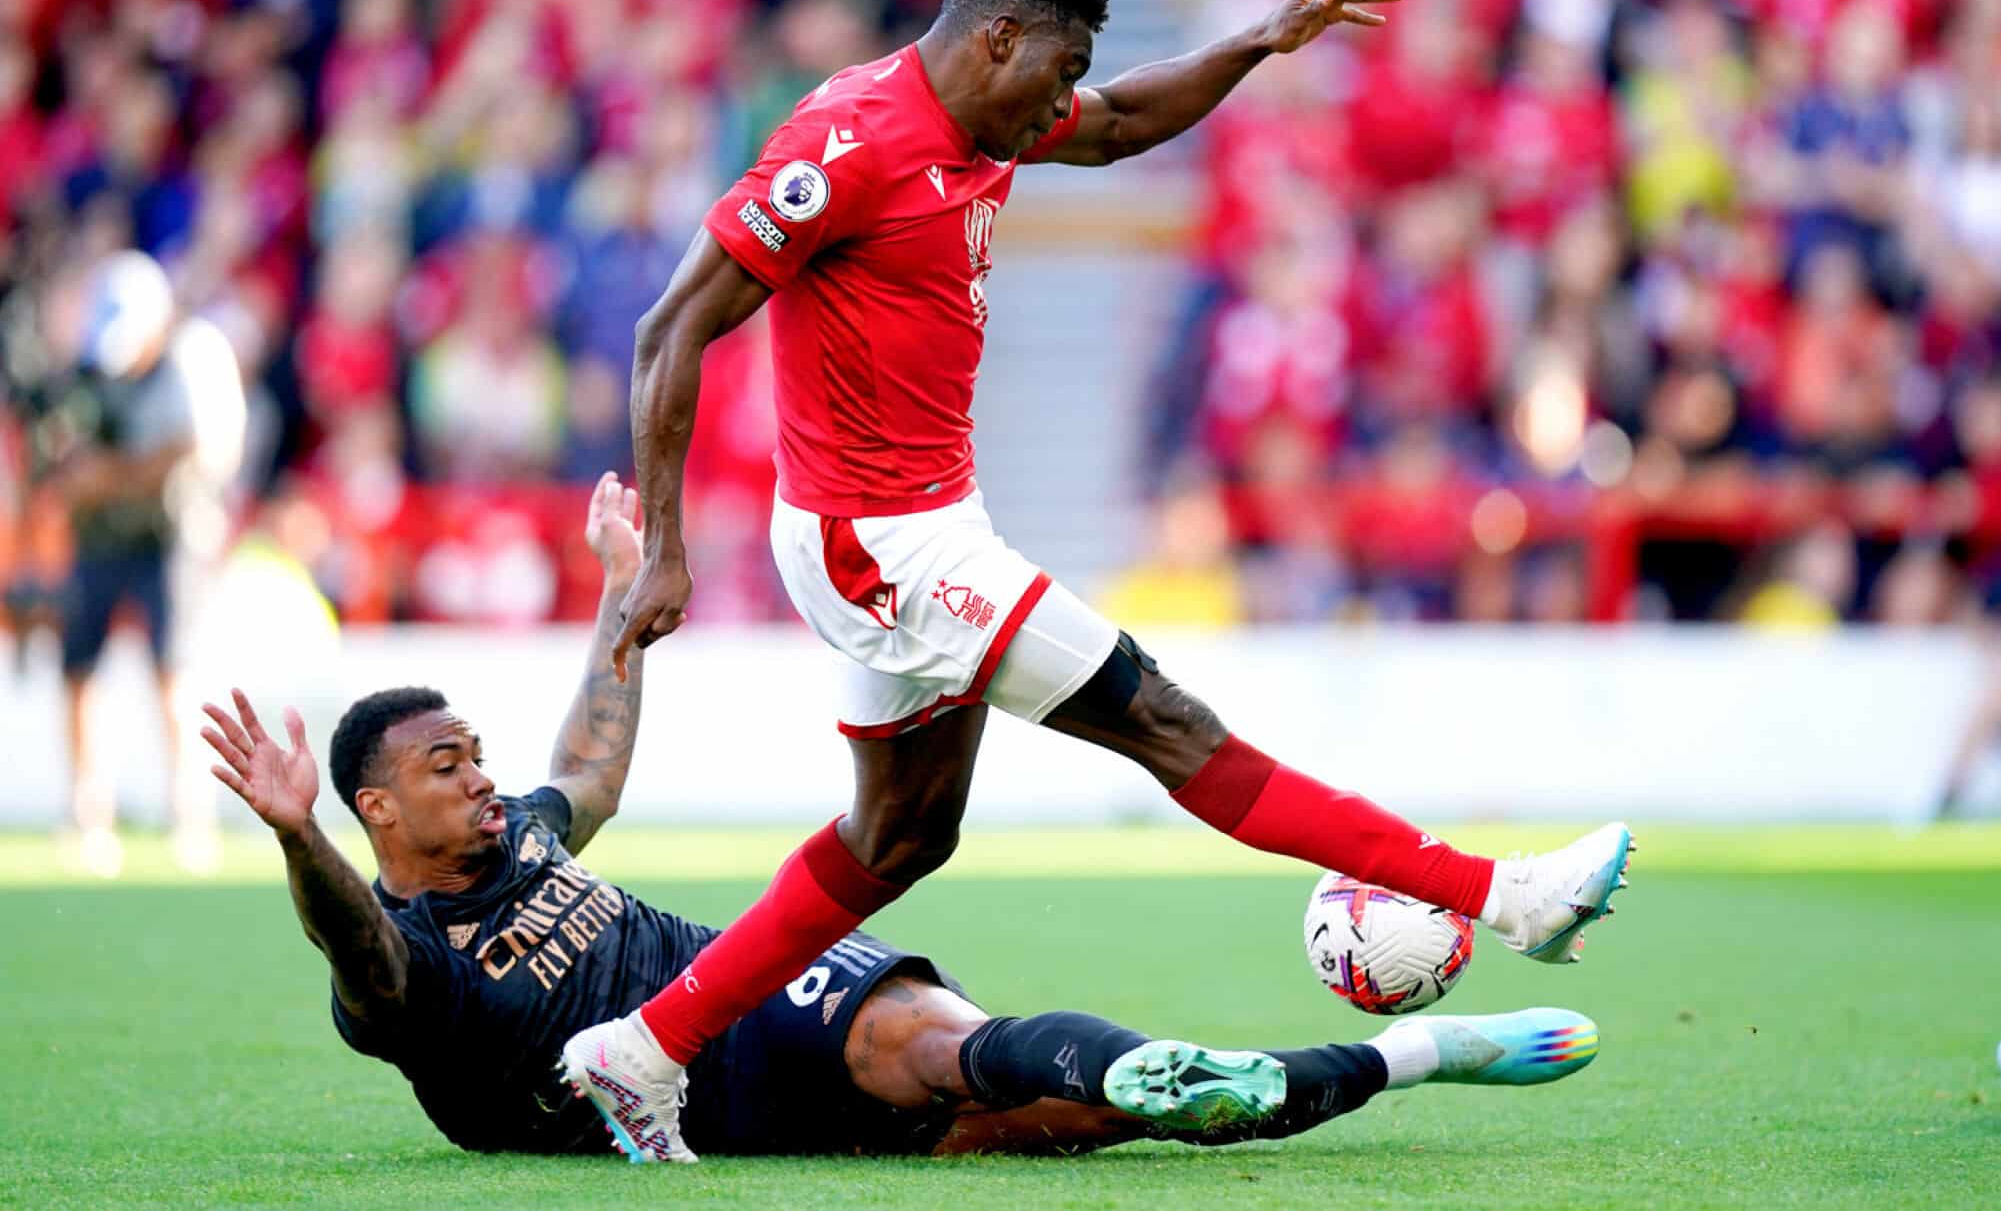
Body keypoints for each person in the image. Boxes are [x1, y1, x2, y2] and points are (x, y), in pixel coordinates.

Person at [587, 0, 1635, 1161]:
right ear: (999, 39)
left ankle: (643, 1049)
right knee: (1172, 724)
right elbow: (671, 326)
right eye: (1057, 67)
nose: (1062, 100)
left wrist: (1257, 39)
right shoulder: (847, 144)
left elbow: (1128, 120)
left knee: (903, 836)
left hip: (918, 528)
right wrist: (662, 547)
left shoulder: (985, 118)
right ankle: (1504, 897)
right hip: (884, 545)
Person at [201, 473, 1604, 1160]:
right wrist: (293, 835)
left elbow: (596, 752)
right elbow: (366, 961)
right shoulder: (400, 973)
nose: (486, 778)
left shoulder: (528, 840)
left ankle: (1257, 1059)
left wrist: (624, 594)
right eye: (450, 765)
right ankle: (1408, 1050)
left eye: (476, 754)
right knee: (1067, 1118)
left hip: (741, 996)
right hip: (711, 1114)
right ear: (374, 806)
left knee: (945, 1045)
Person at [47, 250, 243, 876]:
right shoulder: (88, 366)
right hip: (100, 535)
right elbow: (62, 445)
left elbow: (196, 449)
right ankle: (87, 810)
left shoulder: (193, 357)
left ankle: (188, 811)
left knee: (174, 670)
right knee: (78, 668)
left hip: (172, 532)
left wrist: (109, 477)